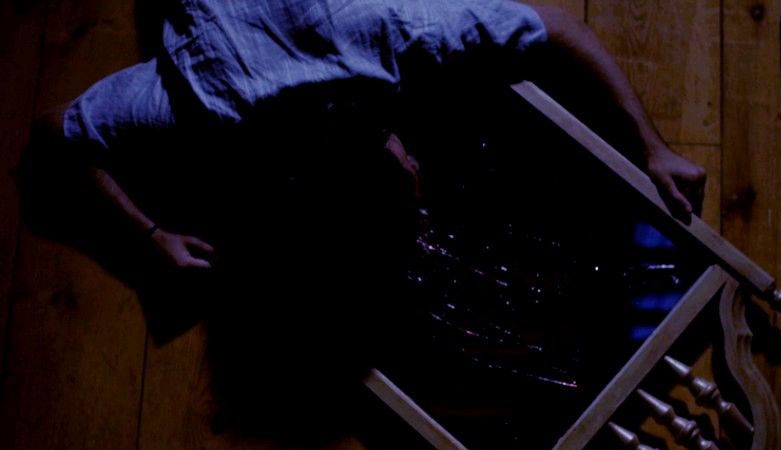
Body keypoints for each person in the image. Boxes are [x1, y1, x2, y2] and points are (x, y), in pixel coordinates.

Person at [27, 0, 706, 271]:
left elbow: (558, 26)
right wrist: (148, 239)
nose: (419, 169)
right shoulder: (209, 117)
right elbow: (53, 130)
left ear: (393, 142)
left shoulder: (392, 36)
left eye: (410, 175)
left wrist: (654, 149)